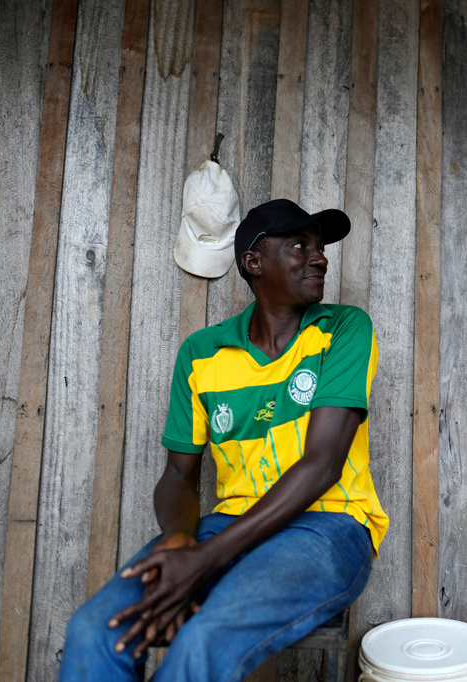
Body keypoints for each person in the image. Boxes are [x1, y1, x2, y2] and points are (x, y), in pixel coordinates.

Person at [60, 199, 388, 681]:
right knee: (94, 630)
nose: (319, 258)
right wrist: (179, 539)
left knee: (205, 638)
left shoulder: (343, 329)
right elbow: (177, 474)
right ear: (254, 262)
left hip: (329, 527)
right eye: (300, 246)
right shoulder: (201, 353)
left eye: (321, 248)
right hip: (226, 526)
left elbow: (322, 464)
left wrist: (204, 561)